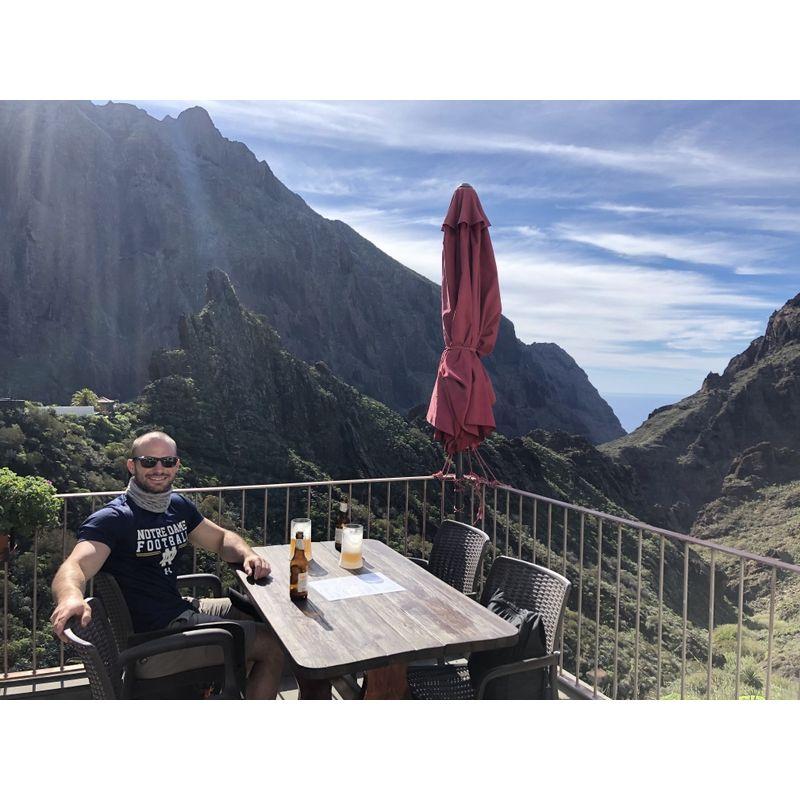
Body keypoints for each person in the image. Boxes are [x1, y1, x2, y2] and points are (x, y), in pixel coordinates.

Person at [50, 430, 285, 699]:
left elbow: (221, 539)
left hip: (178, 610)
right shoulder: (114, 519)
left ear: (177, 465)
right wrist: (70, 596)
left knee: (255, 614)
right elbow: (76, 566)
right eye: (149, 461)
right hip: (155, 642)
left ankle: (232, 688)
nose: (159, 469)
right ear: (132, 466)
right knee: (273, 646)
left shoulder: (177, 506)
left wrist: (247, 554)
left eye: (168, 461)